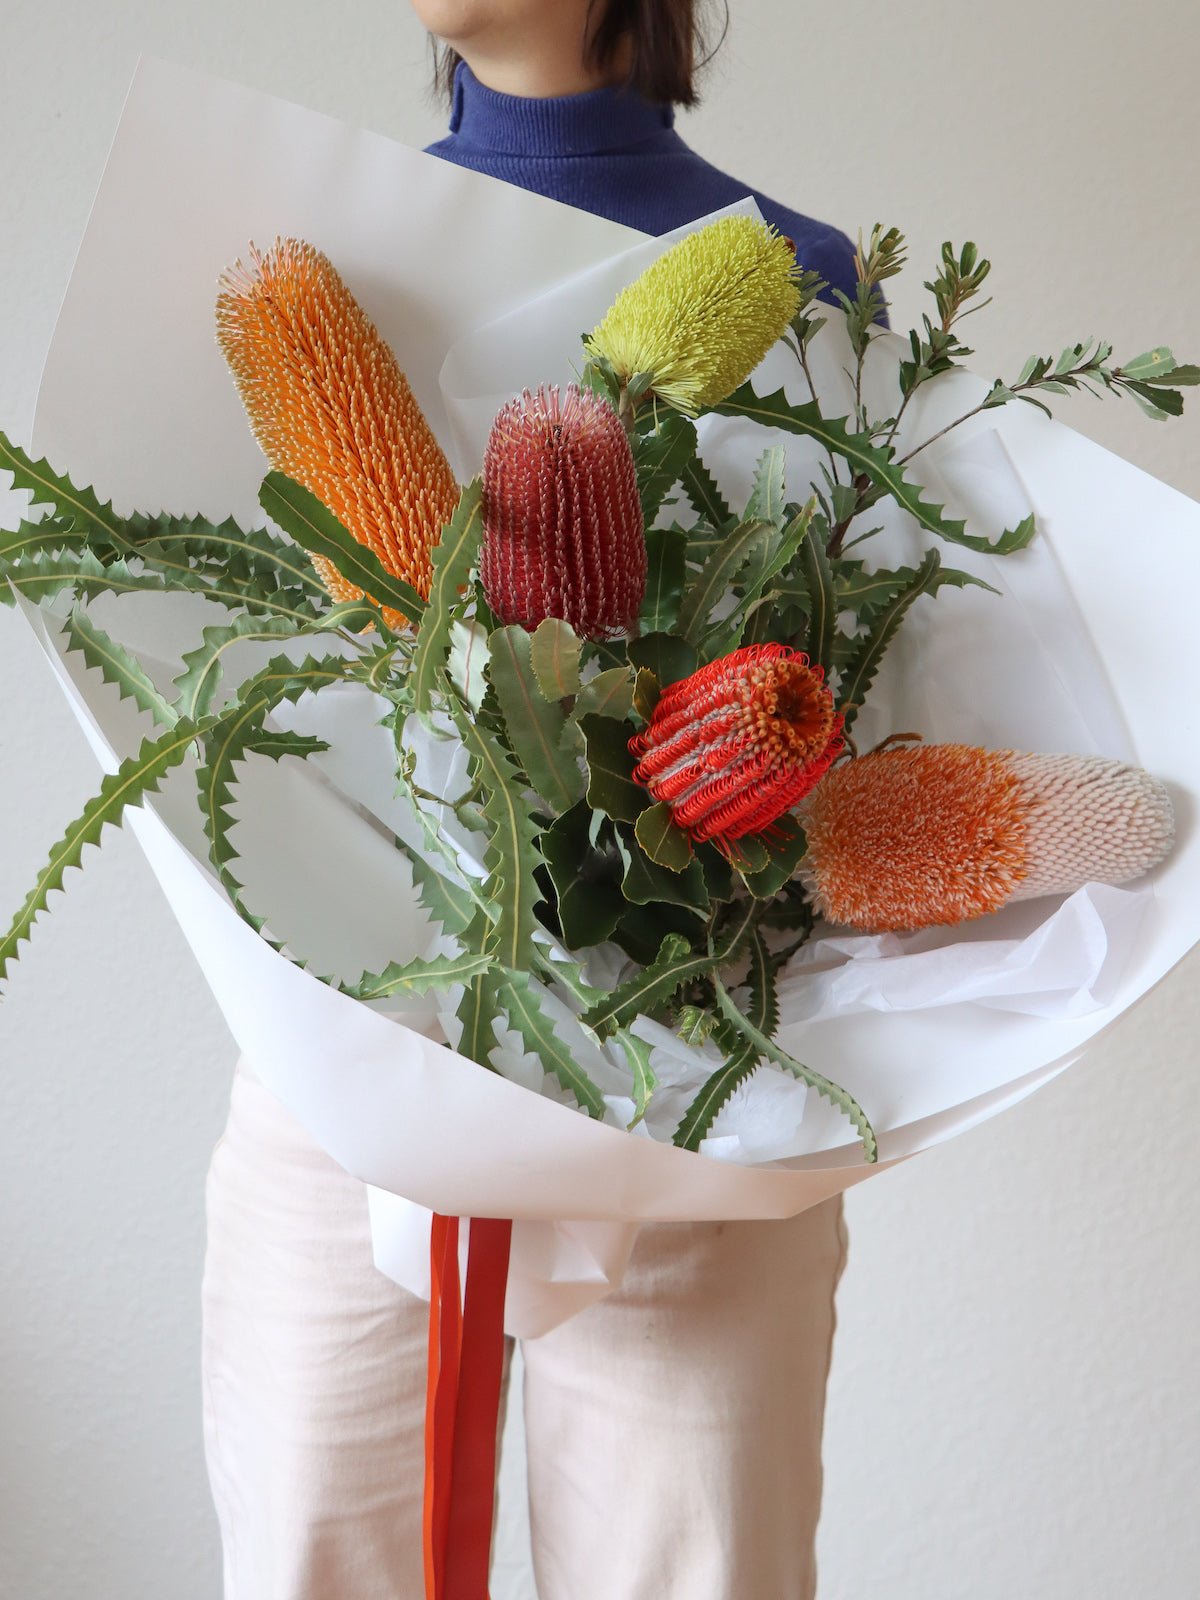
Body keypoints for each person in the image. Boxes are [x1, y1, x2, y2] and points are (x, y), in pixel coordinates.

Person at [201, 5, 854, 1596]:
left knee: (687, 1565)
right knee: (312, 1557)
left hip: (698, 1086)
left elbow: (869, 701)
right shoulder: (324, 267)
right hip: (350, 1063)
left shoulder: (801, 279)